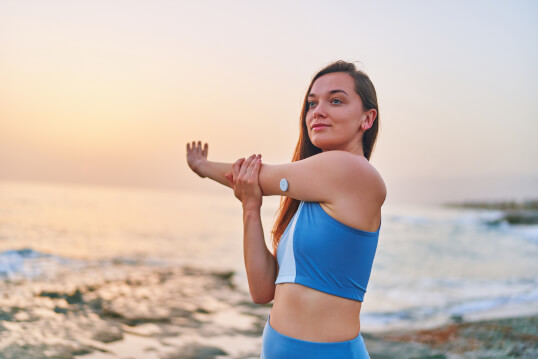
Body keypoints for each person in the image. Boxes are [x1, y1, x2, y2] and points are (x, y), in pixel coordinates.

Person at [186, 60, 386, 358]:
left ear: (367, 119)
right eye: (311, 103)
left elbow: (260, 176)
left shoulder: (353, 171)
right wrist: (250, 207)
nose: (317, 111)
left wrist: (202, 166)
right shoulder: (310, 201)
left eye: (335, 100)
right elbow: (262, 291)